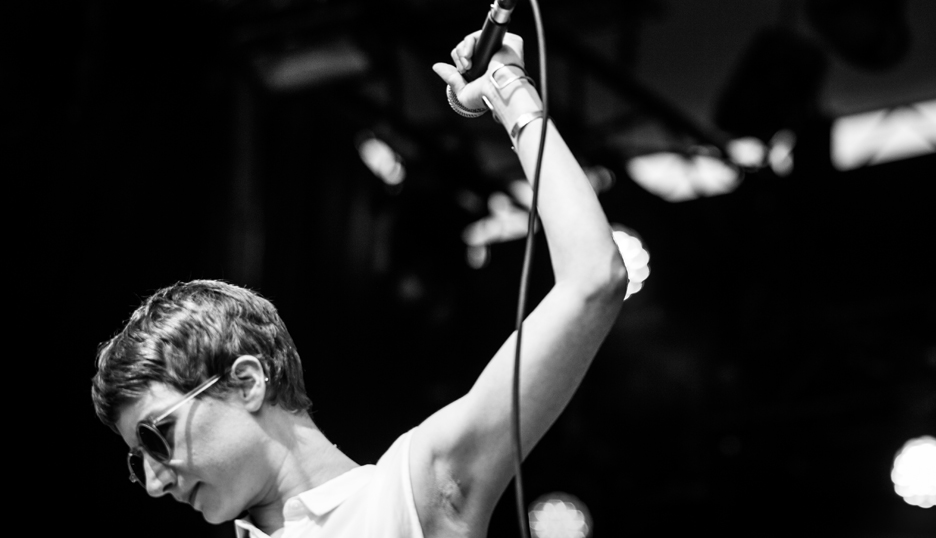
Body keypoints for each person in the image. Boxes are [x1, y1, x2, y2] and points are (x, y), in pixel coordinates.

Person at [91, 31, 629, 537]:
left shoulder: (405, 496)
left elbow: (593, 279)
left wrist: (510, 92)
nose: (157, 482)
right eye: (141, 464)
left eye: (156, 438)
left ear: (248, 383)